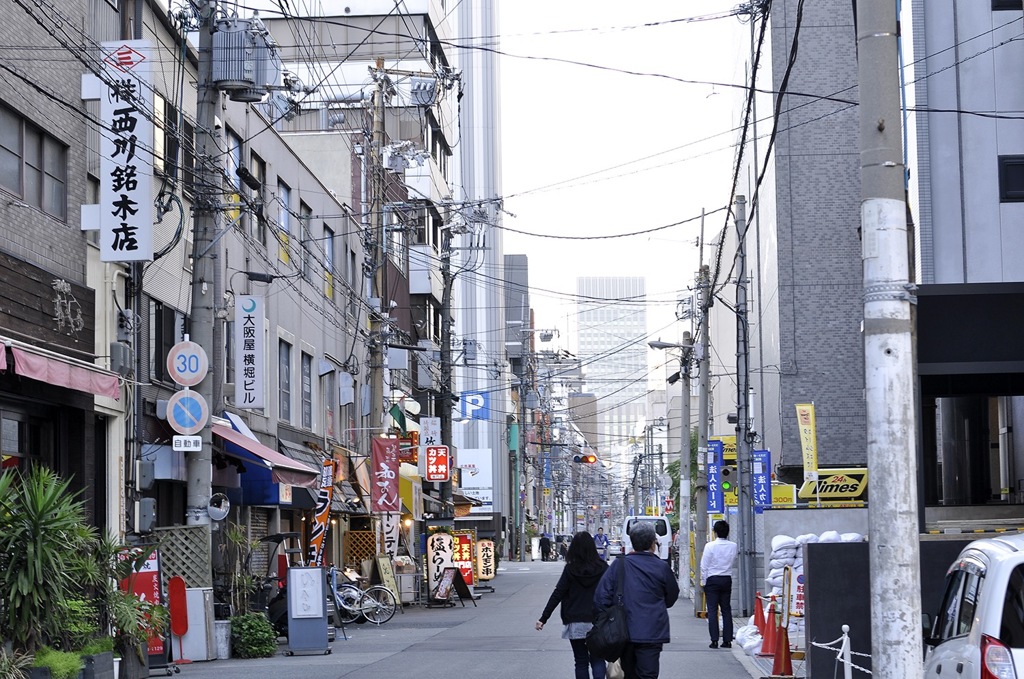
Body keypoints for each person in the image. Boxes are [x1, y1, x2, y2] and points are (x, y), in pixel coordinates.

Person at [595, 522, 679, 679]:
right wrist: (659, 605)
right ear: (653, 544)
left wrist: (609, 620)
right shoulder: (661, 567)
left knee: (628, 673)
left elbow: (601, 598)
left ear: (632, 542)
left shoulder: (619, 565)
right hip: (653, 630)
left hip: (623, 631)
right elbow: (672, 595)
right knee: (649, 674)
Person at [536, 531, 609, 679]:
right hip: (598, 621)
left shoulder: (570, 569)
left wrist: (543, 618)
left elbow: (558, 593)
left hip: (575, 620)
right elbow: (612, 592)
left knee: (581, 661)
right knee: (598, 659)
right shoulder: (603, 567)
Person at [700, 519, 739, 649]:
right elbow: (733, 560)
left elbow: (704, 566)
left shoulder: (710, 546)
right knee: (726, 609)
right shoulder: (733, 545)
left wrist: (704, 581)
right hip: (726, 578)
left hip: (712, 579)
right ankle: (727, 640)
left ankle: (714, 640)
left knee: (712, 610)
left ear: (715, 532)